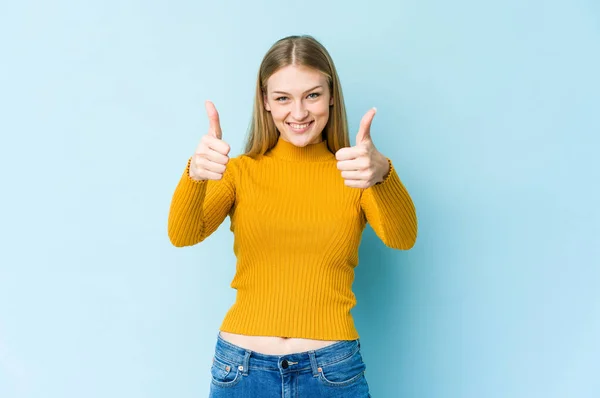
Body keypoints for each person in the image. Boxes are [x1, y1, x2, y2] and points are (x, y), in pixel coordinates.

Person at [168, 35, 417, 397]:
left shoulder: (356, 172)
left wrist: (383, 176)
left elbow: (403, 237)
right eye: (283, 98)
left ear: (331, 96)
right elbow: (183, 234)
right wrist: (194, 174)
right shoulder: (240, 173)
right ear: (266, 103)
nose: (298, 113)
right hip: (240, 370)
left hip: (332, 370)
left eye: (312, 95)